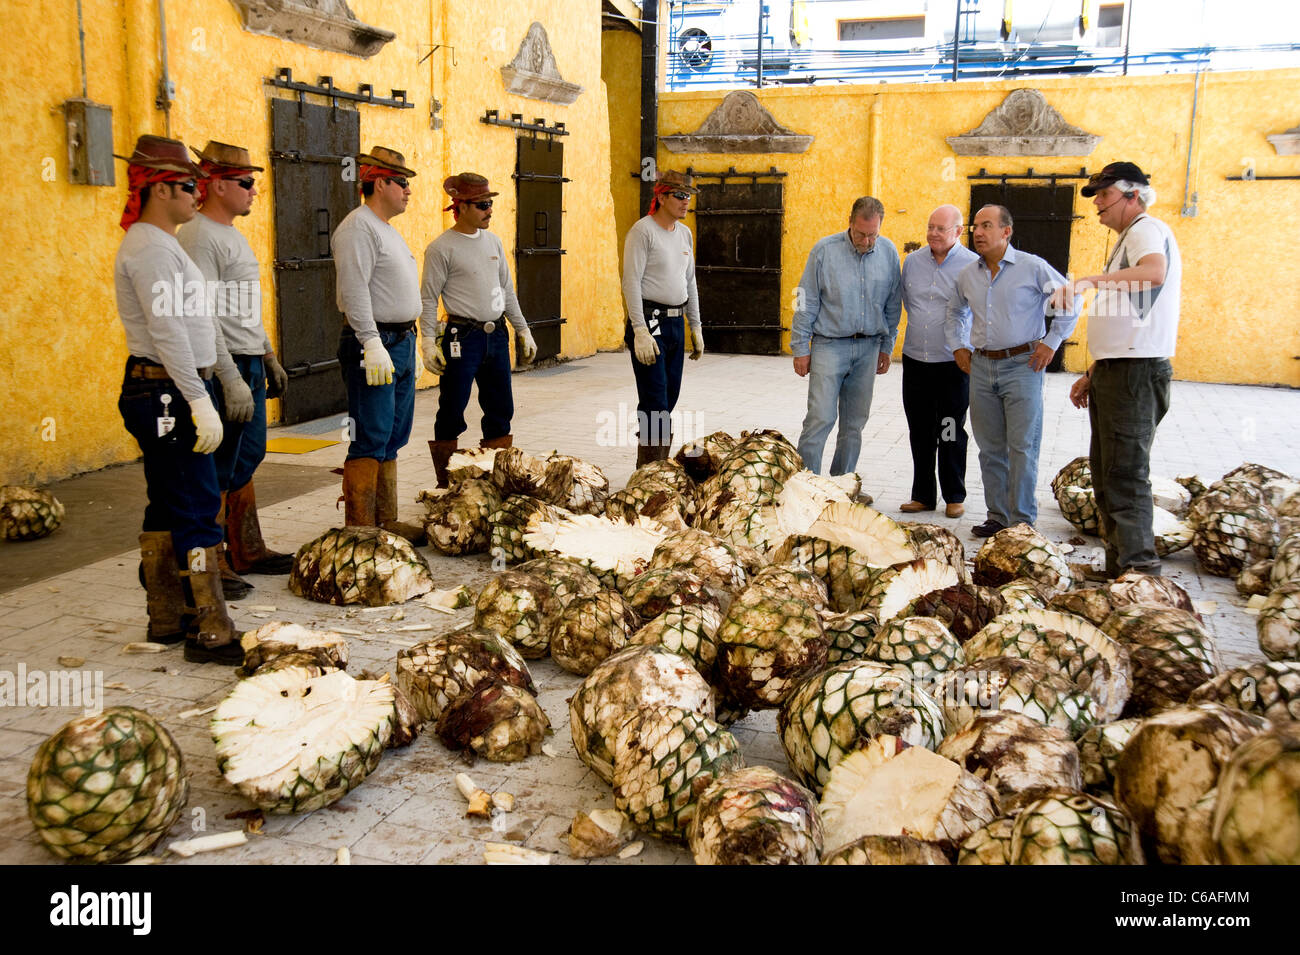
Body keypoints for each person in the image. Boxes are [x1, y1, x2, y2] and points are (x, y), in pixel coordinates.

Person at [113, 134, 242, 665]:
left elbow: (196, 321)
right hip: (165, 388)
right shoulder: (148, 248)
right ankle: (209, 627)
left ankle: (166, 614)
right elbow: (168, 332)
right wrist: (198, 398)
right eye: (189, 185)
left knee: (167, 500)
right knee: (194, 501)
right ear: (161, 189)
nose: (197, 193)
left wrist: (217, 379)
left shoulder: (161, 244)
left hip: (171, 386)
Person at [177, 141, 293, 599]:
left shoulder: (231, 234)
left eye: (254, 183)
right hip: (227, 363)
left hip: (249, 359)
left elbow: (241, 305)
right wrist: (228, 377)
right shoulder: (200, 237)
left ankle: (246, 547)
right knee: (220, 467)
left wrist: (267, 354)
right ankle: (217, 557)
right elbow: (204, 315)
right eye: (245, 183)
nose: (253, 192)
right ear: (218, 184)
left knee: (248, 456)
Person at [1056, 162, 1181, 577]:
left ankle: (1139, 576)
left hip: (1135, 374)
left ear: (1132, 195)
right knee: (1107, 474)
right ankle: (1118, 569)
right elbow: (1129, 315)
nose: (1097, 205)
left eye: (1104, 195)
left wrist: (1088, 280)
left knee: (1124, 474)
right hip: (1118, 369)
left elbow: (1154, 272)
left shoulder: (1145, 229)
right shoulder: (1127, 237)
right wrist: (1095, 371)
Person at [946, 204, 1078, 537]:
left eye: (986, 226)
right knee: (990, 448)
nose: (977, 232)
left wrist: (1052, 341)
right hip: (982, 366)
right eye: (975, 226)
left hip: (1023, 365)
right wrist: (959, 347)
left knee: (1021, 447)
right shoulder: (968, 274)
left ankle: (1021, 522)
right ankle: (997, 516)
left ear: (1007, 232)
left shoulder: (1032, 267)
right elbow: (954, 313)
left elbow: (1069, 302)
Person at [331, 146, 425, 542]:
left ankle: (385, 520)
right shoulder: (358, 228)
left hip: (400, 340)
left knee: (392, 433)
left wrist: (412, 344)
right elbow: (354, 292)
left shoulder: (385, 227)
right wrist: (371, 342)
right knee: (371, 434)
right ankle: (361, 529)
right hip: (375, 340)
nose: (408, 191)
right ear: (380, 183)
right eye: (402, 183)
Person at [422, 173, 538, 487]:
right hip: (463, 337)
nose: (490, 210)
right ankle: (446, 486)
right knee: (452, 408)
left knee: (501, 408)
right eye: (483, 205)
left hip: (496, 335)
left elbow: (506, 290)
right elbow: (429, 298)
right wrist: (428, 343)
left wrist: (523, 330)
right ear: (460, 206)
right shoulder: (441, 248)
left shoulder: (494, 242)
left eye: (490, 204)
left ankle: (496, 481)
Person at [791, 196, 902, 476]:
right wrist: (800, 347)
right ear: (850, 223)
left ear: (880, 227)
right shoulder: (824, 251)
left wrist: (887, 347)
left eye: (872, 235)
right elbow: (806, 300)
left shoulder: (888, 253)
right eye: (860, 234)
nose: (866, 241)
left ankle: (842, 485)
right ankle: (807, 485)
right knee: (820, 418)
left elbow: (892, 304)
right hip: (829, 345)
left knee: (854, 424)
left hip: (869, 347)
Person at [620, 169, 704, 467]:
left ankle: (656, 466)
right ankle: (650, 471)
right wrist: (639, 329)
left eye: (688, 197)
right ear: (662, 196)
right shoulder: (643, 232)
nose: (685, 202)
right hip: (650, 318)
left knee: (669, 398)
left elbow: (689, 280)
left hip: (674, 321)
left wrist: (695, 325)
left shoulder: (684, 234)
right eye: (680, 196)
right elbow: (630, 281)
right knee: (655, 400)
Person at [898, 204, 977, 519]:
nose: (932, 233)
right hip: (916, 360)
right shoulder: (913, 262)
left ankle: (954, 495)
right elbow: (907, 302)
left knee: (949, 428)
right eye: (930, 226)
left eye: (940, 228)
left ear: (958, 231)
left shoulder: (973, 265)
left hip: (953, 364)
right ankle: (922, 495)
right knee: (920, 429)